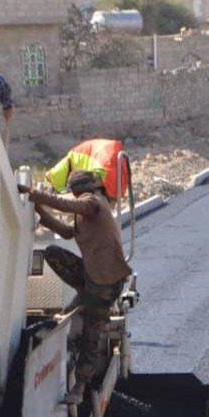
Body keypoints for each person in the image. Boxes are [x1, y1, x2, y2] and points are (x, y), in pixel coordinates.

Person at [17, 170, 131, 404]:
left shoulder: (94, 203)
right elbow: (67, 233)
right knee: (53, 253)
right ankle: (83, 295)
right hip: (92, 279)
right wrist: (41, 212)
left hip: (106, 283)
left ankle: (79, 388)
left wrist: (33, 194)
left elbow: (67, 205)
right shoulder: (87, 213)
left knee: (92, 330)